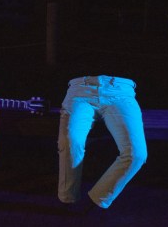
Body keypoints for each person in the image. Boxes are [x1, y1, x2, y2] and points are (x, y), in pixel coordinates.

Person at [57, 75, 147, 210]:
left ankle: (98, 198)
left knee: (137, 154)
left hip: (121, 90)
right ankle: (67, 199)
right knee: (70, 142)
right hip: (81, 89)